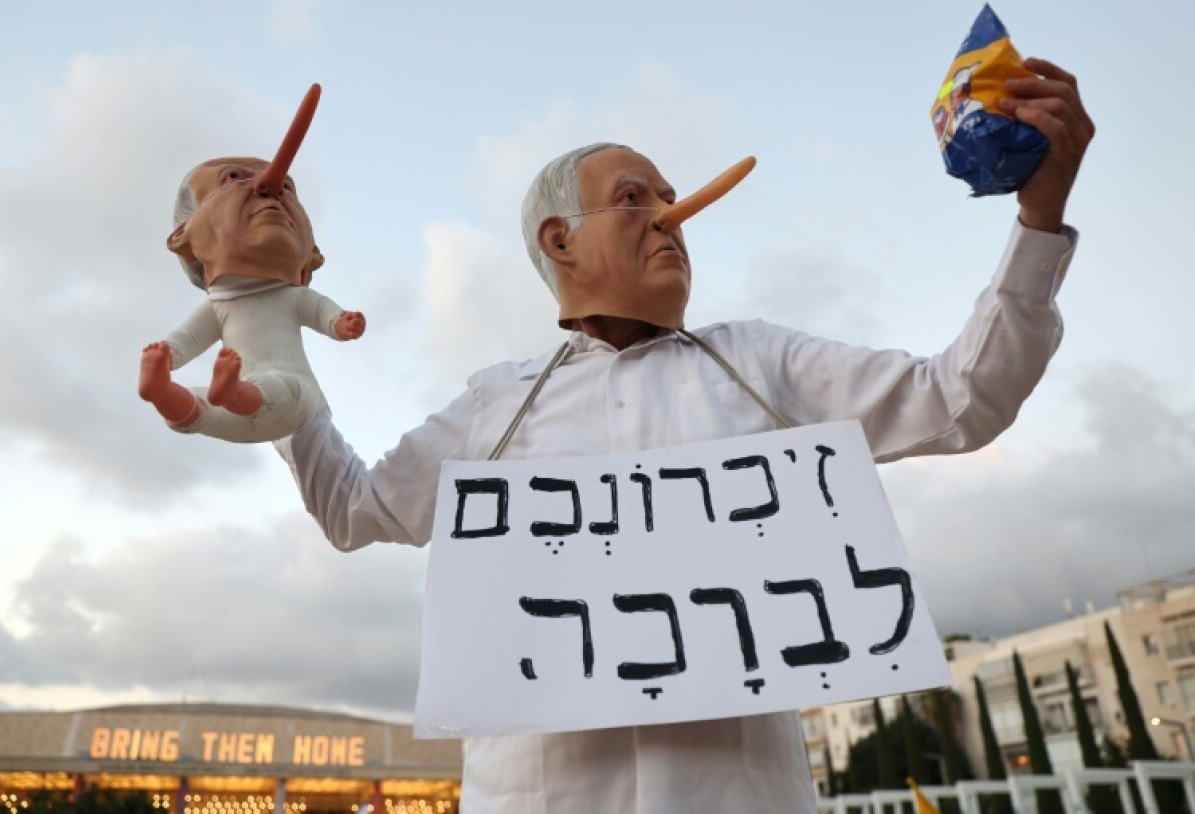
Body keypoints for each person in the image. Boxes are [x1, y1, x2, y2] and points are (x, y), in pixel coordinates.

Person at [277, 58, 1093, 813]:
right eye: (636, 198)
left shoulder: (762, 362)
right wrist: (262, 337)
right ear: (559, 240)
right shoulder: (496, 403)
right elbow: (354, 509)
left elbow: (961, 399)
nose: (674, 215)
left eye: (672, 198)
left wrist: (1039, 218)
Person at [138, 156, 367, 443]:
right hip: (242, 400)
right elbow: (187, 338)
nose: (272, 187)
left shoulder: (290, 297)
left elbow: (321, 311)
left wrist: (340, 322)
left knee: (285, 391)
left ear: (311, 256)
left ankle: (227, 392)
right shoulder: (219, 307)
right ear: (184, 236)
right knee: (201, 404)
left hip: (274, 397)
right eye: (232, 177)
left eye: (287, 187)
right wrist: (166, 356)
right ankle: (163, 392)